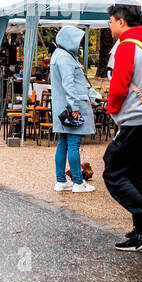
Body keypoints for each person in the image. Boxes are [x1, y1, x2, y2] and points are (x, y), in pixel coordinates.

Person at [103, 4, 142, 252]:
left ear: (121, 21)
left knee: (113, 172)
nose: (109, 27)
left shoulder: (127, 44)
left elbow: (119, 84)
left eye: (110, 21)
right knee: (138, 176)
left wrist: (112, 109)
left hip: (134, 119)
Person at [49, 26, 95, 192]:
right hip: (70, 107)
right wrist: (75, 107)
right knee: (74, 143)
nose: (79, 44)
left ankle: (61, 180)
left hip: (62, 108)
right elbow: (69, 84)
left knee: (63, 143)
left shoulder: (58, 55)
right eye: (77, 40)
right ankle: (78, 181)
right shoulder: (66, 58)